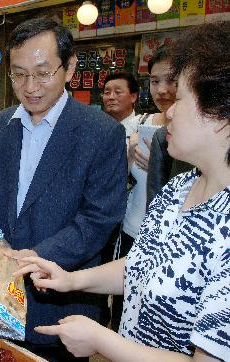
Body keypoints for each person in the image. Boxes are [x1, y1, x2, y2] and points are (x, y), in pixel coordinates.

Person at [14, 21, 230, 362]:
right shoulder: (179, 188)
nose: (168, 110)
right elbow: (142, 266)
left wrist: (102, 341)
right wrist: (71, 280)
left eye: (182, 98)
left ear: (220, 114)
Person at [0, 18, 127, 361]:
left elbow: (99, 218)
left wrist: (38, 255)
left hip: (60, 304)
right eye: (19, 74)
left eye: (42, 73)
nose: (30, 86)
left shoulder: (100, 133)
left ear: (69, 68)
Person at [110, 46, 178, 331]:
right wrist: (127, 155)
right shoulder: (139, 124)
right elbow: (119, 180)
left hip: (171, 238)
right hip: (133, 229)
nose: (162, 89)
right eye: (154, 80)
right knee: (124, 311)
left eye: (171, 80)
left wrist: (161, 166)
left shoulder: (197, 129)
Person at [102, 72, 139, 137]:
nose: (111, 97)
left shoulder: (142, 127)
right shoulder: (97, 128)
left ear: (133, 97)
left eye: (118, 92)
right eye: (107, 92)